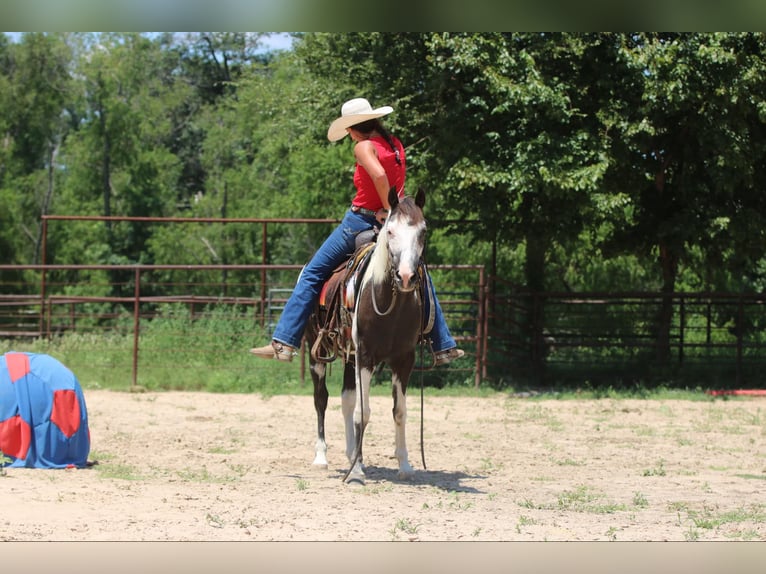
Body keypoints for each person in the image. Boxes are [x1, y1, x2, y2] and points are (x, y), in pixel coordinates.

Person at [250, 97, 464, 366]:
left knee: (312, 272)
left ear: (353, 127)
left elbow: (378, 176)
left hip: (358, 223)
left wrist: (390, 210)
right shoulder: (394, 144)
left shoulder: (364, 147)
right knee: (417, 271)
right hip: (386, 223)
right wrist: (392, 212)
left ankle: (284, 342)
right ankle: (442, 345)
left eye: (348, 130)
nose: (349, 136)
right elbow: (394, 181)